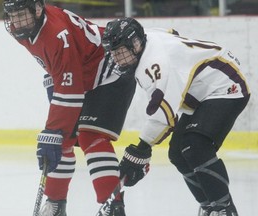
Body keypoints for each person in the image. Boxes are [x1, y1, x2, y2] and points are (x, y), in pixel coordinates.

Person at [102, 17, 250, 216]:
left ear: (135, 45)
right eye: (113, 52)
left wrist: (140, 150)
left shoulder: (156, 64)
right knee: (177, 153)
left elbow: (164, 116)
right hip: (202, 93)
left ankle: (224, 208)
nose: (117, 58)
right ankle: (210, 206)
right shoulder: (148, 38)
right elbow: (171, 33)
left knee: (195, 146)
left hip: (225, 85)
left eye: (120, 52)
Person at [3, 1, 137, 215]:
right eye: (12, 15)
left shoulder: (57, 33)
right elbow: (56, 67)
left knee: (89, 137)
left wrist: (54, 129)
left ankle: (112, 206)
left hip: (110, 70)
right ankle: (56, 205)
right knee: (61, 141)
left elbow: (71, 90)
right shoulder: (23, 29)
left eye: (21, 15)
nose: (16, 21)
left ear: (37, 9)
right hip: (80, 74)